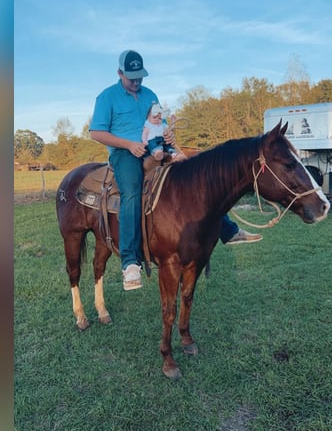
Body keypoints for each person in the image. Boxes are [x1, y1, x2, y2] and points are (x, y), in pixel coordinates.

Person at [89, 50, 262, 292]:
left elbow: (160, 124)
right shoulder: (107, 97)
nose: (137, 82)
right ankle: (130, 262)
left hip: (157, 147)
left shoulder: (150, 95)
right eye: (131, 78)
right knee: (131, 192)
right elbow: (96, 132)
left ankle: (228, 229)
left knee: (193, 182)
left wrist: (170, 138)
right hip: (125, 153)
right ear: (119, 73)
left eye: (140, 77)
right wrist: (129, 144)